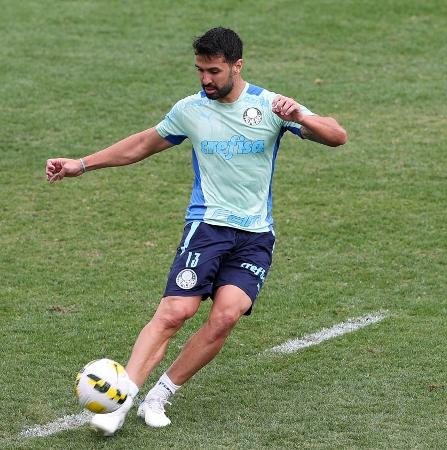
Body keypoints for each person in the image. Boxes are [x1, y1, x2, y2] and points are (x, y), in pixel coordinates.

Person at [46, 27, 347, 436]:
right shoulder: (191, 109)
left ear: (237, 66)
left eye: (214, 71)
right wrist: (81, 164)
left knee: (225, 318)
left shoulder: (270, 106)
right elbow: (141, 144)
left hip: (256, 236)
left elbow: (337, 136)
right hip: (207, 227)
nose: (205, 79)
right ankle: (120, 399)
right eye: (200, 70)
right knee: (175, 312)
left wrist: (301, 117)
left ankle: (160, 394)